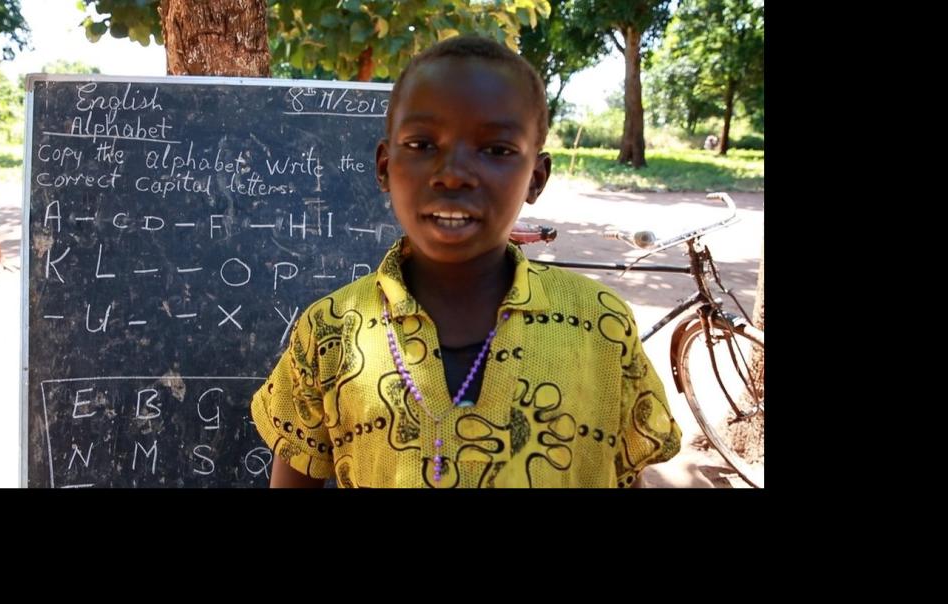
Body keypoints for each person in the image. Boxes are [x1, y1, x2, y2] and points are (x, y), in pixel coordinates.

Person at [251, 36, 680, 488]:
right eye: (421, 144)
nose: (453, 174)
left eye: (496, 150)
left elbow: (625, 475)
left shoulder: (600, 324)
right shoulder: (329, 331)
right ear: (384, 166)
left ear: (536, 178)